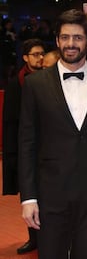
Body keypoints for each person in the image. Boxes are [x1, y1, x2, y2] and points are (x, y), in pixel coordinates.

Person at [18, 9, 87, 259]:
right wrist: (28, 197)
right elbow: (27, 142)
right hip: (50, 193)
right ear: (57, 40)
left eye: (77, 38)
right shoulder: (35, 84)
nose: (70, 44)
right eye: (64, 37)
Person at [2, 38, 45, 255]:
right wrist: (11, 155)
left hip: (48, 147)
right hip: (25, 147)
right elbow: (10, 122)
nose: (40, 58)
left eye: (42, 54)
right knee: (29, 194)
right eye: (35, 54)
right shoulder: (15, 83)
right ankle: (33, 238)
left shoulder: (51, 79)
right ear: (25, 58)